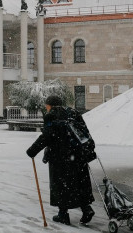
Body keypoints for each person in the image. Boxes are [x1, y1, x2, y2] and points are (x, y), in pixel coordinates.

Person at [26, 95, 95, 225]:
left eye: (46, 105)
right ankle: (86, 209)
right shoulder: (73, 112)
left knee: (61, 185)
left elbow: (47, 136)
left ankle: (63, 214)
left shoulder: (51, 115)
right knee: (79, 182)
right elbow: (84, 131)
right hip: (78, 155)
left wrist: (32, 150)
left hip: (60, 157)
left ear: (49, 105)